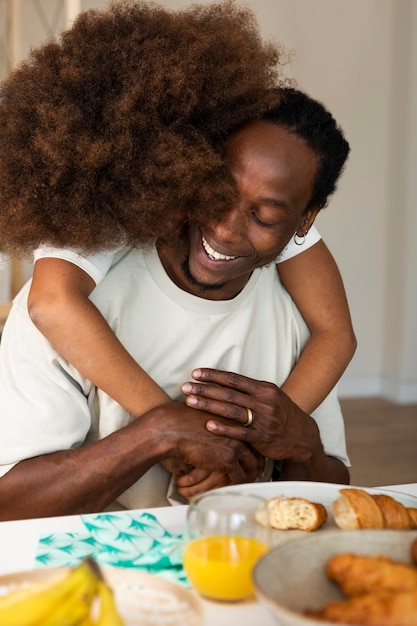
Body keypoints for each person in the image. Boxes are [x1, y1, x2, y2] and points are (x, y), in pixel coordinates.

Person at [0, 87, 351, 521]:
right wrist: (156, 434)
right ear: (188, 163)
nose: (225, 229)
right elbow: (9, 505)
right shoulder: (79, 285)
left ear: (306, 219)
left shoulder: (299, 307)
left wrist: (300, 443)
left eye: (265, 217)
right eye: (218, 192)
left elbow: (334, 493)